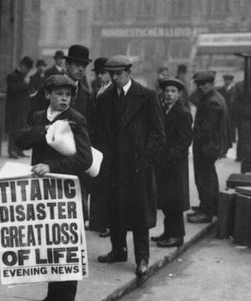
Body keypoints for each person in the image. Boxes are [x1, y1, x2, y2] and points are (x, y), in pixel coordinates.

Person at [15, 75, 92, 301]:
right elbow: (20, 140)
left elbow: (85, 159)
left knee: (66, 246)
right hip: (43, 191)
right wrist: (45, 130)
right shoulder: (39, 117)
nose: (64, 99)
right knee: (48, 241)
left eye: (68, 95)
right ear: (47, 95)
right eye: (59, 94)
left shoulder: (76, 120)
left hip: (66, 191)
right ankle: (51, 297)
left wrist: (51, 165)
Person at [95, 55, 165, 277]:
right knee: (114, 208)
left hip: (137, 166)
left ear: (128, 72)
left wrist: (146, 161)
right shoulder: (105, 98)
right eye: (111, 74)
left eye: (118, 74)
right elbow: (99, 132)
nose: (114, 78)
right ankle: (118, 250)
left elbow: (157, 134)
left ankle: (142, 258)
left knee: (139, 214)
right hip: (114, 165)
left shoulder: (146, 96)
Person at [30, 44, 93, 223]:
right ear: (67, 66)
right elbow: (32, 120)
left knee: (72, 219)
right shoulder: (49, 88)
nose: (81, 69)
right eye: (76, 65)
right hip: (45, 164)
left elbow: (89, 131)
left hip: (73, 167)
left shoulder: (87, 95)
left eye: (84, 66)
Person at [152, 78, 193, 248]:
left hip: (174, 165)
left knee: (175, 202)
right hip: (165, 163)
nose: (169, 94)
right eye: (167, 91)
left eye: (173, 91)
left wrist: (170, 157)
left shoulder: (182, 112)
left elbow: (184, 141)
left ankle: (177, 236)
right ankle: (168, 232)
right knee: (167, 201)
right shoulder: (164, 109)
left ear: (179, 94)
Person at [187, 71, 231, 224]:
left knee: (204, 178)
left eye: (204, 84)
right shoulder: (214, 96)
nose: (201, 87)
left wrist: (193, 137)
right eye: (199, 84)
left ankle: (206, 212)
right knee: (210, 176)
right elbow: (192, 98)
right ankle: (210, 206)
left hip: (206, 146)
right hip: (211, 145)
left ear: (211, 83)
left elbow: (207, 129)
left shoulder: (210, 101)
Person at [89, 57, 112, 237]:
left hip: (109, 145)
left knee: (108, 185)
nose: (100, 77)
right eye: (98, 73)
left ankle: (108, 224)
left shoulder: (112, 92)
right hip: (97, 143)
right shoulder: (97, 89)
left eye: (103, 73)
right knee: (96, 182)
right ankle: (97, 222)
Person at [5, 56, 33, 159]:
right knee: (14, 130)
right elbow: (13, 89)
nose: (27, 71)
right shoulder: (11, 76)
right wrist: (25, 84)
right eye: (27, 68)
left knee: (21, 130)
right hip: (14, 108)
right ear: (22, 66)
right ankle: (11, 150)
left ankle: (19, 150)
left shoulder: (22, 76)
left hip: (22, 108)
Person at [216, 74, 235, 144]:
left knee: (231, 128)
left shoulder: (235, 90)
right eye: (226, 80)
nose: (227, 82)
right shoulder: (220, 90)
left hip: (231, 112)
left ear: (231, 81)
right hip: (223, 111)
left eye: (229, 80)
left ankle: (230, 143)